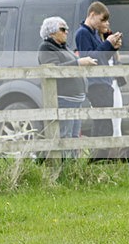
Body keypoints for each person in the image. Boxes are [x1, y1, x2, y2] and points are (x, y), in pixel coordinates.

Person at [38, 16, 97, 151]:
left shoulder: (63, 47)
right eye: (62, 29)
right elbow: (53, 70)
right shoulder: (46, 48)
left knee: (74, 137)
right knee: (66, 137)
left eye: (67, 29)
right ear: (51, 32)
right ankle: (64, 169)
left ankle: (73, 169)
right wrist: (79, 62)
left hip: (76, 101)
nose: (66, 32)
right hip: (64, 100)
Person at [75, 2, 122, 161]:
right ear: (92, 14)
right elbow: (90, 58)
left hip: (104, 81)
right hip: (96, 83)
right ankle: (97, 160)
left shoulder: (94, 33)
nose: (104, 24)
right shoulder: (82, 33)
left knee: (106, 122)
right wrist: (107, 43)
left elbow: (101, 57)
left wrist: (112, 47)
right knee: (103, 122)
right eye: (102, 20)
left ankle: (101, 159)